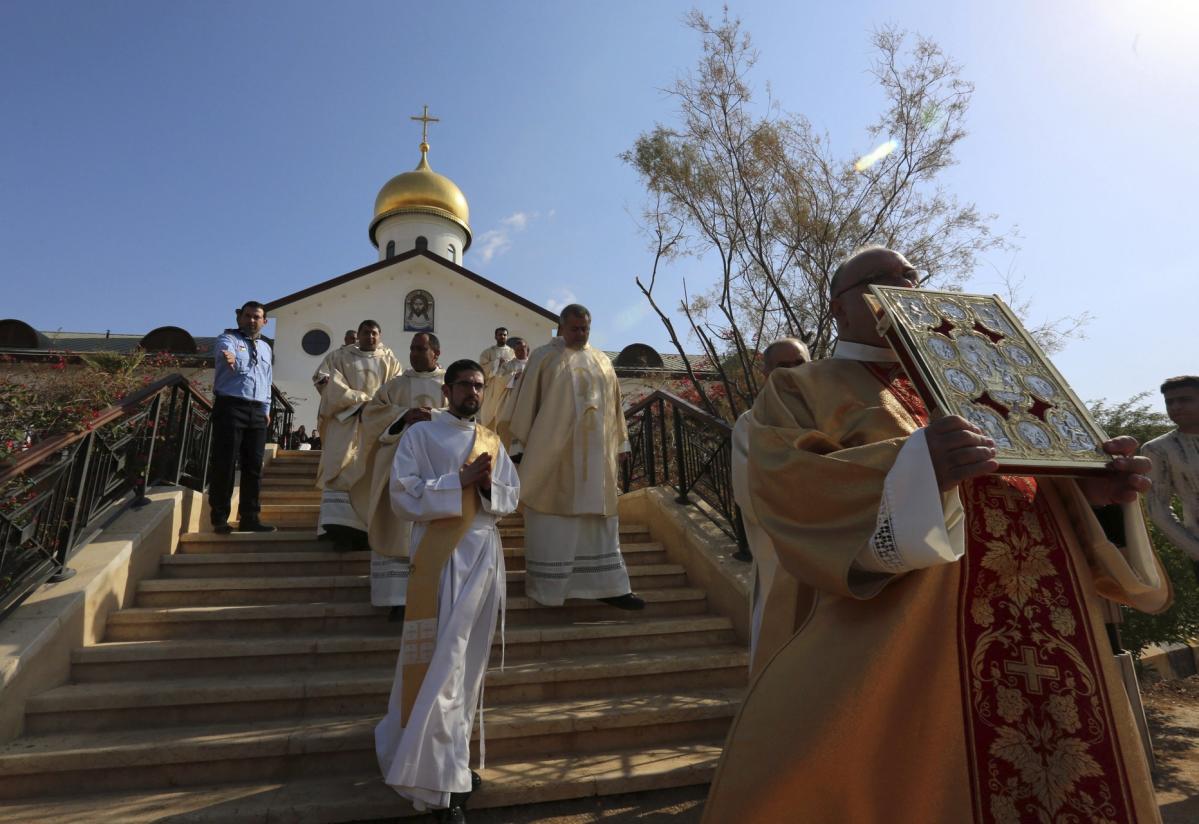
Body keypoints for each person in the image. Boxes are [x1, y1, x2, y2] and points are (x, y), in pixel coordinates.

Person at [702, 246, 1170, 823]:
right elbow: (791, 485)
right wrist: (918, 467)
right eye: (882, 279)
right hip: (904, 640)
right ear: (839, 311)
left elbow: (1032, 488)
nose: (906, 287)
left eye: (913, 278)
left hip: (1052, 629)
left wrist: (1096, 494)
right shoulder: (803, 387)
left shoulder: (987, 380)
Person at [374, 359, 519, 823]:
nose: (473, 393)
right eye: (465, 386)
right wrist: (458, 481)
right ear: (448, 389)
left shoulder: (492, 440)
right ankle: (436, 783)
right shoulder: (421, 434)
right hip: (440, 560)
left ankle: (447, 763)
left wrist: (487, 485)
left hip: (482, 557)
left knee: (465, 669)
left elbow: (511, 497)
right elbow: (403, 493)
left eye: (479, 386)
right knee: (442, 666)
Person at [507, 304, 643, 609]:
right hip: (553, 457)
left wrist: (620, 446)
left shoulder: (602, 362)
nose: (581, 334)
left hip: (597, 457)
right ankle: (550, 588)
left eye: (585, 329)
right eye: (575, 329)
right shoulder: (544, 357)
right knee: (555, 523)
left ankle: (610, 587)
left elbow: (615, 408)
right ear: (561, 327)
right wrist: (519, 449)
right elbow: (526, 404)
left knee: (600, 526)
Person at [352, 332, 447, 620]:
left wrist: (437, 417)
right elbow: (371, 416)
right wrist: (403, 416)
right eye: (412, 348)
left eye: (421, 349)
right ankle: (397, 599)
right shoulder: (395, 386)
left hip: (436, 472)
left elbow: (468, 418)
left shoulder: (449, 385)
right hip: (400, 471)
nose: (415, 353)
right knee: (397, 528)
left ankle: (433, 596)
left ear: (436, 354)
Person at [730, 337, 809, 673]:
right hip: (782, 547)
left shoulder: (834, 411)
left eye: (799, 364)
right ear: (765, 372)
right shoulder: (752, 423)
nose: (792, 373)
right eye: (782, 366)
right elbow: (749, 489)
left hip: (838, 543)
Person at [315, 319, 403, 551]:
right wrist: (359, 402)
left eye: (374, 333)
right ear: (359, 335)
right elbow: (324, 380)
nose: (370, 337)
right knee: (339, 468)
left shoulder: (390, 361)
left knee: (371, 473)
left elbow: (397, 390)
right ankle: (336, 530)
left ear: (380, 336)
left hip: (376, 425)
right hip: (345, 422)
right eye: (366, 333)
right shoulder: (339, 357)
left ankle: (367, 529)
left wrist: (375, 409)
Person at [208, 301, 276, 534]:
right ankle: (219, 518)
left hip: (257, 411)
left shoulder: (267, 348)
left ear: (264, 321)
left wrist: (266, 410)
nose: (251, 320)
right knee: (225, 464)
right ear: (239, 318)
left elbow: (267, 380)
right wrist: (229, 358)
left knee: (254, 467)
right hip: (231, 406)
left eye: (257, 317)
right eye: (247, 316)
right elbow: (223, 352)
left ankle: (250, 517)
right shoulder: (228, 340)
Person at [1143, 375, 1199, 577]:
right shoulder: (1158, 449)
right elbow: (1157, 509)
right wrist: (1195, 550)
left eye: (1185, 400)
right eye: (1170, 402)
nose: (1176, 406)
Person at [479, 336, 529, 431]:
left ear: (527, 350)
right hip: (510, 401)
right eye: (517, 349)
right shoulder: (507, 365)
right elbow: (499, 378)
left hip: (526, 401)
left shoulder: (533, 365)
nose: (519, 351)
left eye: (522, 349)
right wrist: (514, 376)